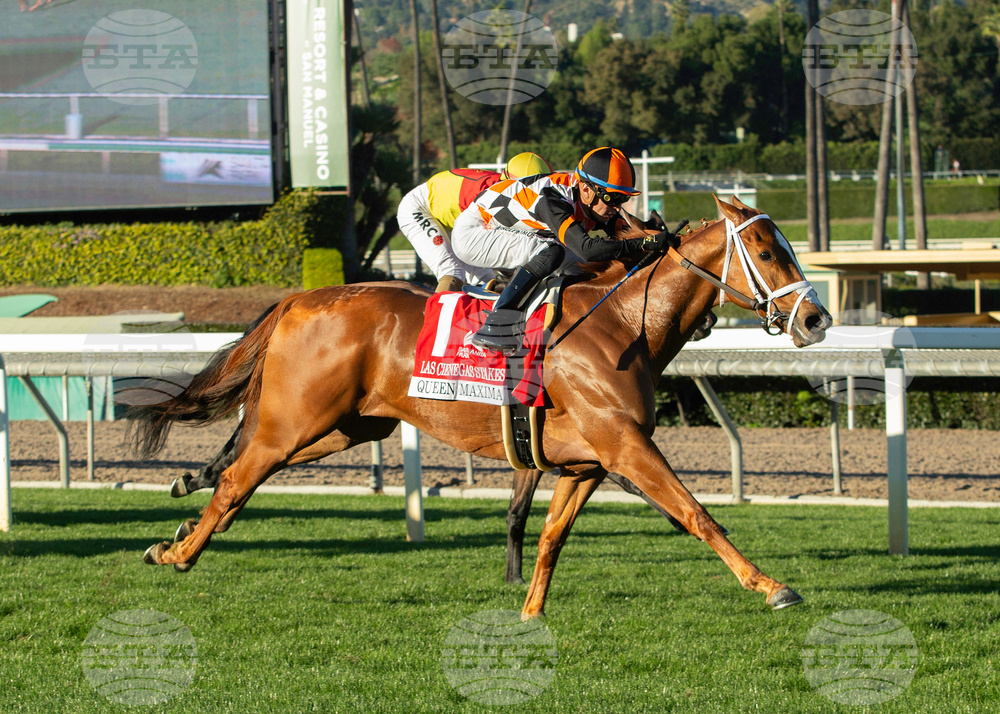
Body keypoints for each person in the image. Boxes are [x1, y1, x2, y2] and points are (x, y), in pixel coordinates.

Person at [450, 146, 677, 352]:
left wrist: (657, 233)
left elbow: (627, 232)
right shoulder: (553, 199)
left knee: (582, 268)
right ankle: (498, 322)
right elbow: (588, 249)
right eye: (612, 198)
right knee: (553, 252)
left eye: (622, 199)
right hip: (475, 232)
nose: (616, 207)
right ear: (586, 189)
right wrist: (646, 243)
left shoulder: (589, 198)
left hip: (509, 229)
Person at [396, 152, 552, 293]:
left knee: (487, 279)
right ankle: (436, 321)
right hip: (420, 208)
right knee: (452, 272)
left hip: (455, 218)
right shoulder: (488, 196)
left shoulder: (505, 190)